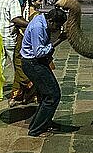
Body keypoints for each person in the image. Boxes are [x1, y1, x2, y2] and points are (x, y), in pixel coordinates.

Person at [21, 8, 68, 137]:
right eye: (57, 25)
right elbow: (39, 51)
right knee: (52, 95)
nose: (57, 28)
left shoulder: (42, 19)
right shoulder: (38, 27)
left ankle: (44, 122)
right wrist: (58, 40)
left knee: (46, 95)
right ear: (51, 21)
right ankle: (37, 129)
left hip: (37, 62)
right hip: (33, 63)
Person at [9, 0, 43, 107]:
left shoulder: (22, 12)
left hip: (20, 41)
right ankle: (30, 90)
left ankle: (16, 97)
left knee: (19, 68)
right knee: (28, 70)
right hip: (29, 44)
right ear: (33, 2)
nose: (41, 3)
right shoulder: (37, 16)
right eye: (39, 1)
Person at [0, 0, 29, 83]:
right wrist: (30, 24)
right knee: (17, 64)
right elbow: (15, 19)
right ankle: (22, 87)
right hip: (9, 37)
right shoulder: (13, 1)